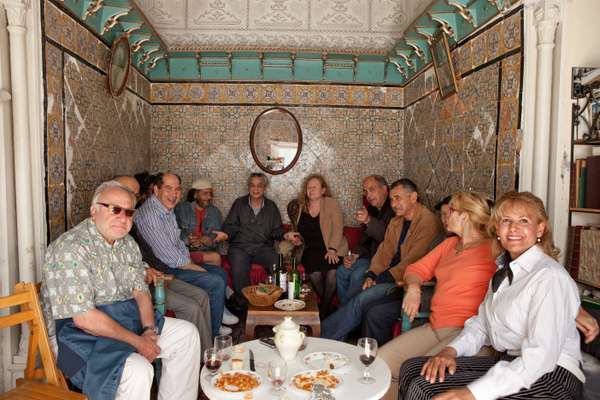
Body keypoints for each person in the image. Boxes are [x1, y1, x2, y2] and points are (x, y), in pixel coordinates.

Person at [399, 191, 590, 400]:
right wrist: (450, 351)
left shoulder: (548, 276)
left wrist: (472, 393)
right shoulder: (504, 272)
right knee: (412, 369)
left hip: (552, 375)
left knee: (425, 388)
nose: (514, 228)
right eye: (506, 220)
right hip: (510, 360)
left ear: (540, 229)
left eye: (524, 221)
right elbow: (481, 325)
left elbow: (540, 357)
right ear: (497, 228)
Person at [41, 180, 200, 400]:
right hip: (78, 336)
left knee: (186, 335)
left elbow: (140, 291)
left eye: (129, 212)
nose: (123, 218)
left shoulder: (127, 244)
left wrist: (148, 330)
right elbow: (84, 319)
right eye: (115, 209)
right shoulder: (70, 248)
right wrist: (138, 342)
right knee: (138, 371)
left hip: (125, 320)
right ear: (94, 210)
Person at [377, 191, 499, 400]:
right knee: (381, 362)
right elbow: (415, 269)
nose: (445, 216)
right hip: (434, 327)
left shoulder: (493, 249)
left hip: (467, 332)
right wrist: (414, 289)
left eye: (451, 211)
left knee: (418, 374)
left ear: (465, 216)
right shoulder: (449, 244)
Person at [321, 179, 443, 341]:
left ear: (413, 197)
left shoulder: (428, 222)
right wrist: (372, 274)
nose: (393, 204)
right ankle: (339, 335)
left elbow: (413, 261)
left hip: (402, 282)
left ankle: (324, 336)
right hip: (386, 276)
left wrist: (380, 279)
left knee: (361, 298)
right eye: (392, 199)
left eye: (398, 198)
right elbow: (384, 251)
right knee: (360, 287)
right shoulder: (396, 221)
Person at [115, 175, 213, 352]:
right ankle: (202, 357)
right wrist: (149, 272)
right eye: (126, 192)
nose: (132, 199)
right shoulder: (137, 219)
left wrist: (150, 270)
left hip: (156, 275)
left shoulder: (130, 224)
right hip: (147, 284)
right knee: (192, 306)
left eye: (135, 195)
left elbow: (151, 255)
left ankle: (207, 354)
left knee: (202, 295)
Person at [134, 173, 236, 337]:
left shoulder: (167, 210)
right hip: (166, 268)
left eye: (177, 189)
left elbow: (178, 242)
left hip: (177, 261)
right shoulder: (151, 214)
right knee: (215, 280)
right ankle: (214, 333)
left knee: (220, 272)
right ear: (156, 189)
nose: (173, 194)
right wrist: (194, 266)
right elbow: (169, 256)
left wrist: (190, 257)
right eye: (168, 188)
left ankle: (215, 325)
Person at [220, 173, 294, 308]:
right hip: (240, 248)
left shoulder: (271, 206)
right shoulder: (239, 203)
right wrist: (225, 234)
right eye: (252, 185)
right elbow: (230, 226)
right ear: (248, 187)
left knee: (277, 262)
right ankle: (244, 305)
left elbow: (276, 230)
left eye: (259, 186)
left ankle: (279, 300)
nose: (256, 189)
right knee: (239, 270)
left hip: (263, 248)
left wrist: (286, 235)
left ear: (264, 188)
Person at [287, 174, 348, 316]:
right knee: (314, 273)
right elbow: (295, 229)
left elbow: (338, 228)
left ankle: (324, 308)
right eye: (308, 187)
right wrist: (296, 239)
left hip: (332, 247)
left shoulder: (331, 203)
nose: (311, 190)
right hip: (311, 249)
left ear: (323, 190)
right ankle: (327, 307)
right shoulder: (300, 206)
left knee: (333, 272)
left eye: (315, 187)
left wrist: (332, 249)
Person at [336, 175, 394, 304]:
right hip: (370, 256)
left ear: (385, 190)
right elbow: (365, 241)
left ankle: (346, 313)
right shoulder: (371, 210)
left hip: (385, 261)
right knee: (341, 271)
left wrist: (368, 220)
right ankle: (344, 310)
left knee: (357, 275)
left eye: (372, 189)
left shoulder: (394, 209)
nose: (368, 195)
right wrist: (355, 254)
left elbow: (389, 239)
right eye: (365, 191)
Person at [174, 178, 222, 267]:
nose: (209, 197)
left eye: (210, 194)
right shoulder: (181, 209)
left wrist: (209, 240)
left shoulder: (215, 212)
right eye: (205, 193)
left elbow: (217, 237)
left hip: (207, 250)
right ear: (195, 195)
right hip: (186, 251)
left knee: (216, 258)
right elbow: (174, 232)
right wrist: (189, 240)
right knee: (215, 258)